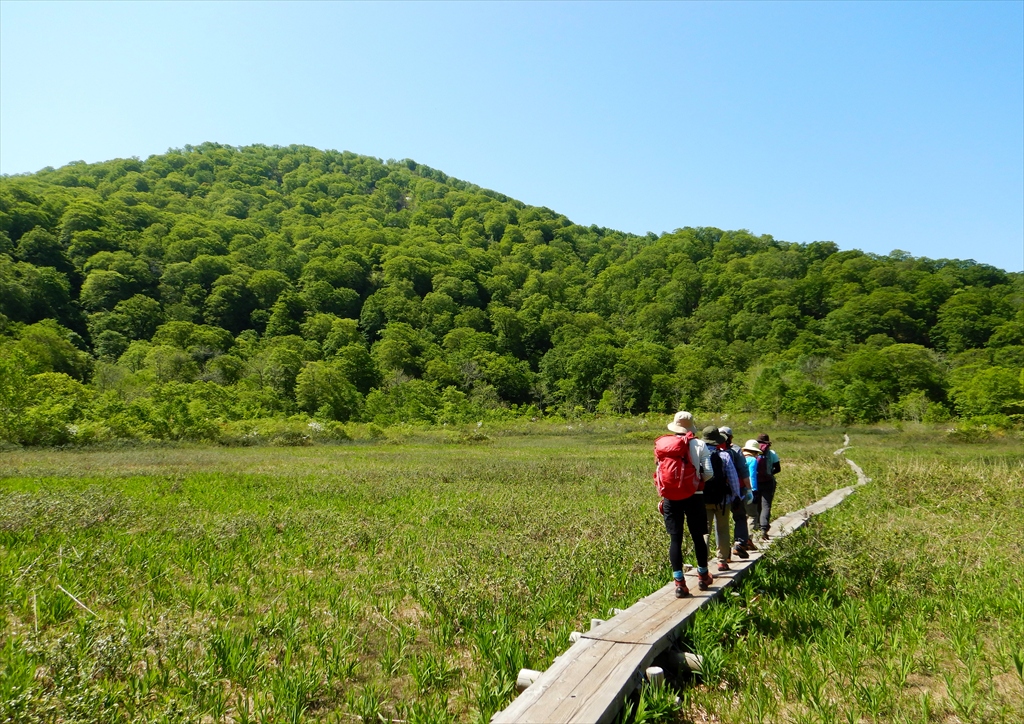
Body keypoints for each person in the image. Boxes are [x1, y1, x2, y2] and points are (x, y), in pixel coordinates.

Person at [656, 411, 714, 597]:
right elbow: (709, 472)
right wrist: (697, 481)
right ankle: (703, 577)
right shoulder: (699, 444)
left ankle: (679, 583)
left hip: (671, 498)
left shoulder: (664, 445)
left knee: (675, 539)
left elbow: (659, 472)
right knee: (698, 537)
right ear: (691, 426)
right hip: (695, 496)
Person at [701, 426, 743, 572]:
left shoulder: (698, 456)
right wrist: (736, 496)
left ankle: (703, 563)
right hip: (723, 500)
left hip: (703, 500)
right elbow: (733, 479)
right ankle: (722, 561)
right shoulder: (724, 455)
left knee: (704, 531)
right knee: (723, 530)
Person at [718, 426, 753, 559]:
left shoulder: (713, 449)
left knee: (721, 523)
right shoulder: (736, 449)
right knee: (739, 517)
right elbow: (744, 471)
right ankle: (739, 543)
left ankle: (724, 554)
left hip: (720, 491)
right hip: (737, 490)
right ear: (731, 437)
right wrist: (749, 489)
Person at [754, 433, 781, 540]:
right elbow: (778, 468)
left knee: (757, 505)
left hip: (755, 482)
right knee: (766, 505)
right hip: (768, 482)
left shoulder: (753, 452)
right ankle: (764, 529)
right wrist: (769, 474)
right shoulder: (772, 453)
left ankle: (756, 527)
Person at [741, 439, 761, 550]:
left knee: (742, 517)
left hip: (738, 490)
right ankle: (749, 539)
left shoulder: (739, 458)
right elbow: (752, 475)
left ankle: (740, 540)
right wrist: (754, 491)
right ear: (754, 452)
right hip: (748, 489)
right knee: (752, 515)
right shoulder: (752, 460)